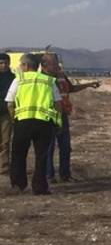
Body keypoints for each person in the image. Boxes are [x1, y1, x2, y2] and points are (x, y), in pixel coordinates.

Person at [6, 53, 63, 195]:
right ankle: (40, 187)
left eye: (20, 64)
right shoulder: (49, 81)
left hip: (23, 122)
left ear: (26, 66)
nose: (19, 67)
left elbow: (10, 102)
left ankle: (18, 185)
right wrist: (57, 121)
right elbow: (58, 104)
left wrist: (14, 118)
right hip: (44, 123)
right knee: (41, 156)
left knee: (18, 154)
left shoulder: (19, 79)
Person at [41, 54, 100, 183]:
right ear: (44, 65)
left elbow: (71, 88)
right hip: (47, 116)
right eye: (54, 64)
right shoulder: (40, 78)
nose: (57, 66)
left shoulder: (61, 76)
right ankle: (49, 176)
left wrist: (89, 84)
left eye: (57, 63)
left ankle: (65, 175)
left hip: (62, 114)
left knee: (65, 146)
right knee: (49, 147)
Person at [0, 53, 14, 175]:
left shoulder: (13, 78)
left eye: (5, 63)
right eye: (1, 63)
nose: (3, 65)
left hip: (6, 114)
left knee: (5, 141)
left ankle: (4, 166)